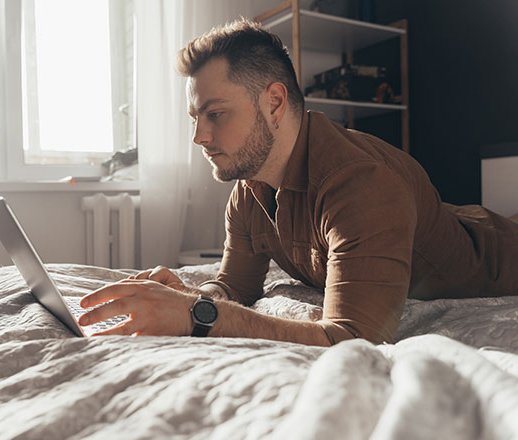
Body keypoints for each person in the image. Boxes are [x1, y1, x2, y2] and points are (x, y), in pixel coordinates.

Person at [78, 18, 518, 346]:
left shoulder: (362, 185)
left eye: (215, 114)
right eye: (196, 118)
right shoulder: (248, 188)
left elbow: (352, 338)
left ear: (273, 103)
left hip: (502, 254)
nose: (199, 137)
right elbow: (237, 285)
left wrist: (198, 315)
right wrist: (193, 293)